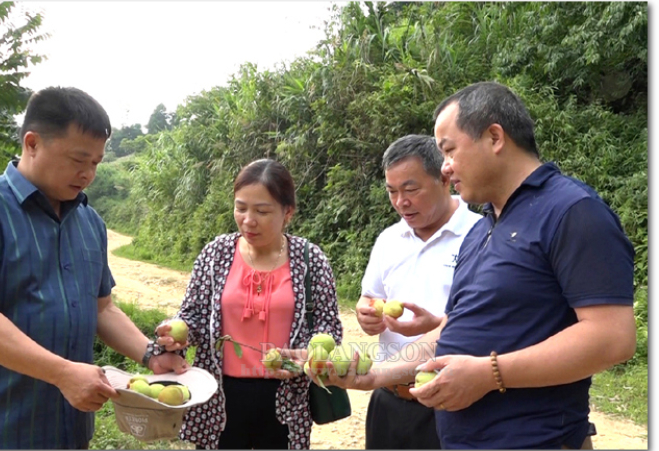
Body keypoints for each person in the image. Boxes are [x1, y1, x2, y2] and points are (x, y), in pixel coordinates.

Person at [312, 81, 636, 449]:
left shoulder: (571, 212)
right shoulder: (483, 230)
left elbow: (613, 338)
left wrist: (489, 374)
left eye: (449, 151)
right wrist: (378, 374)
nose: (446, 169)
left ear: (495, 137)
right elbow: (452, 333)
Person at [0, 86, 187, 449]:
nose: (88, 173)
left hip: (70, 434)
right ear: (32, 143)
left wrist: (151, 354)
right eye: (78, 160)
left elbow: (103, 309)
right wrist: (63, 374)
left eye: (95, 162)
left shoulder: (89, 222)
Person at [151, 159, 343, 450]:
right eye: (241, 208)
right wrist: (178, 332)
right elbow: (193, 316)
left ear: (287, 212)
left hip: (286, 398)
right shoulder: (217, 253)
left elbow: (330, 327)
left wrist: (307, 355)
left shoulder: (310, 260)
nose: (248, 220)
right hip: (220, 396)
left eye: (262, 211)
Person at [356, 134, 481, 449]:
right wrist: (367, 312)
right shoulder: (388, 239)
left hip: (451, 404)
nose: (401, 201)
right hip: (389, 399)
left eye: (411, 189)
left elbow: (481, 320)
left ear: (444, 179)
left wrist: (438, 323)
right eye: (392, 191)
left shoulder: (480, 235)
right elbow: (369, 295)